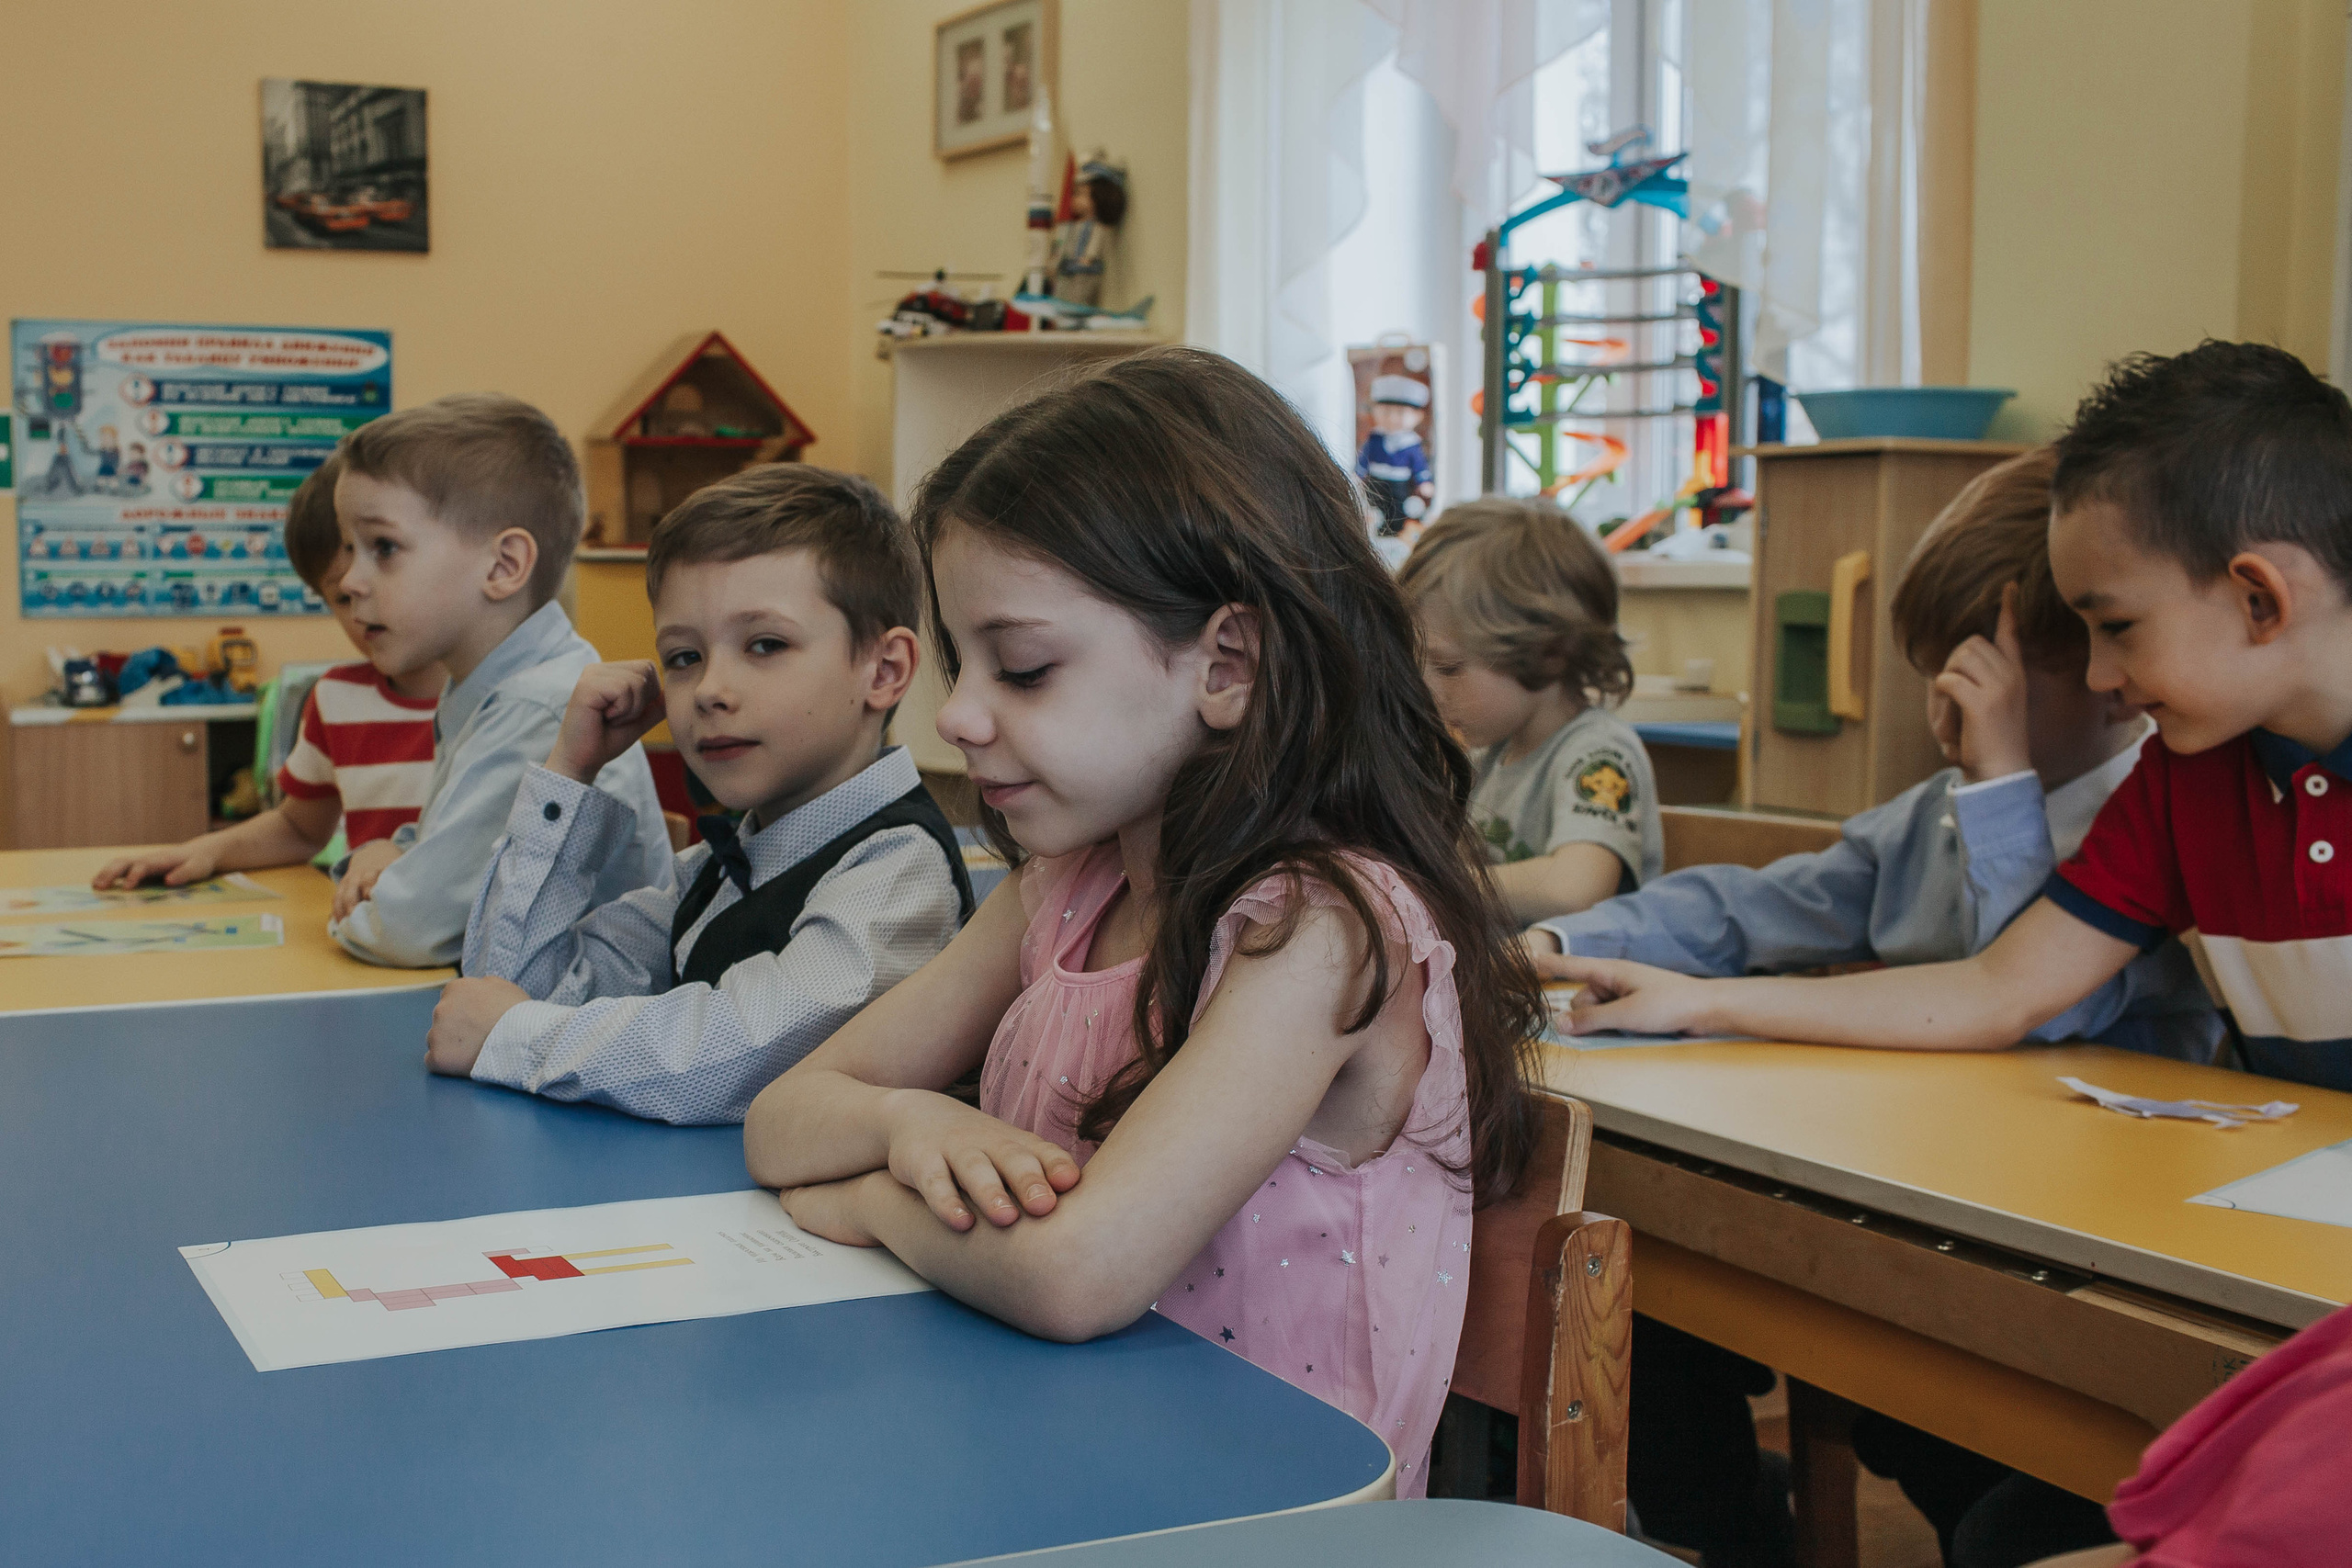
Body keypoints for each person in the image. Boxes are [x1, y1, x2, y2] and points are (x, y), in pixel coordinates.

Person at [1559, 340, 2352, 1565]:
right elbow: (1998, 987)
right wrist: (1702, 999)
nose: (2100, 674)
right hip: (2273, 1291)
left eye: (2115, 625)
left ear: (2259, 596)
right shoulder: (2187, 779)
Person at [741, 346, 1544, 1496]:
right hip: (1056, 1458)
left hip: (1261, 1522)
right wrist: (917, 1130)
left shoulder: (1320, 932)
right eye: (964, 663)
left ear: (1227, 663)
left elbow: (1077, 1274)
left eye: (1021, 668)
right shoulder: (1065, 888)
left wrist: (870, 1193)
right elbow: (784, 1115)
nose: (959, 714)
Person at [424, 465, 972, 1124]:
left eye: (765, 644)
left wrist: (515, 1037)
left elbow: (738, 1051)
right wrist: (571, 768)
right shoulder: (720, 870)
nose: (710, 688)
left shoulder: (898, 871)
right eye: (684, 657)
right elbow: (510, 986)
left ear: (883, 670)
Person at [326, 392, 671, 968]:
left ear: (504, 566)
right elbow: (456, 862)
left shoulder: (538, 707)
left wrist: (359, 904)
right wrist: (389, 852)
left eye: (383, 547)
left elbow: (408, 927)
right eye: (350, 549)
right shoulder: (494, 686)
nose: (350, 581)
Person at [90, 455, 442, 891]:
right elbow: (299, 829)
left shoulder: (511, 701)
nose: (363, 606)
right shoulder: (336, 698)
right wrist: (205, 850)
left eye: (385, 562)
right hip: (378, 941)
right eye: (342, 598)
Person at [1397, 496, 1663, 924]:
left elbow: (1574, 888)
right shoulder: (1490, 754)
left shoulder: (1599, 754)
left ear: (1550, 654)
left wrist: (1428, 887)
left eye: (1449, 668)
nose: (1427, 688)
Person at [1356, 374, 1435, 537]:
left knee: (1398, 510)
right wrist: (1357, 474)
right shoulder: (1374, 439)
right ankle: (1375, 532)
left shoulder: (1411, 444)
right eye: (1386, 412)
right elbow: (1363, 459)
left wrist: (1424, 482)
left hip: (1399, 485)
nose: (1392, 418)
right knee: (1374, 507)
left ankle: (1396, 533)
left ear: (1417, 416)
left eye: (1400, 413)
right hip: (1375, 482)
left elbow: (1419, 465)